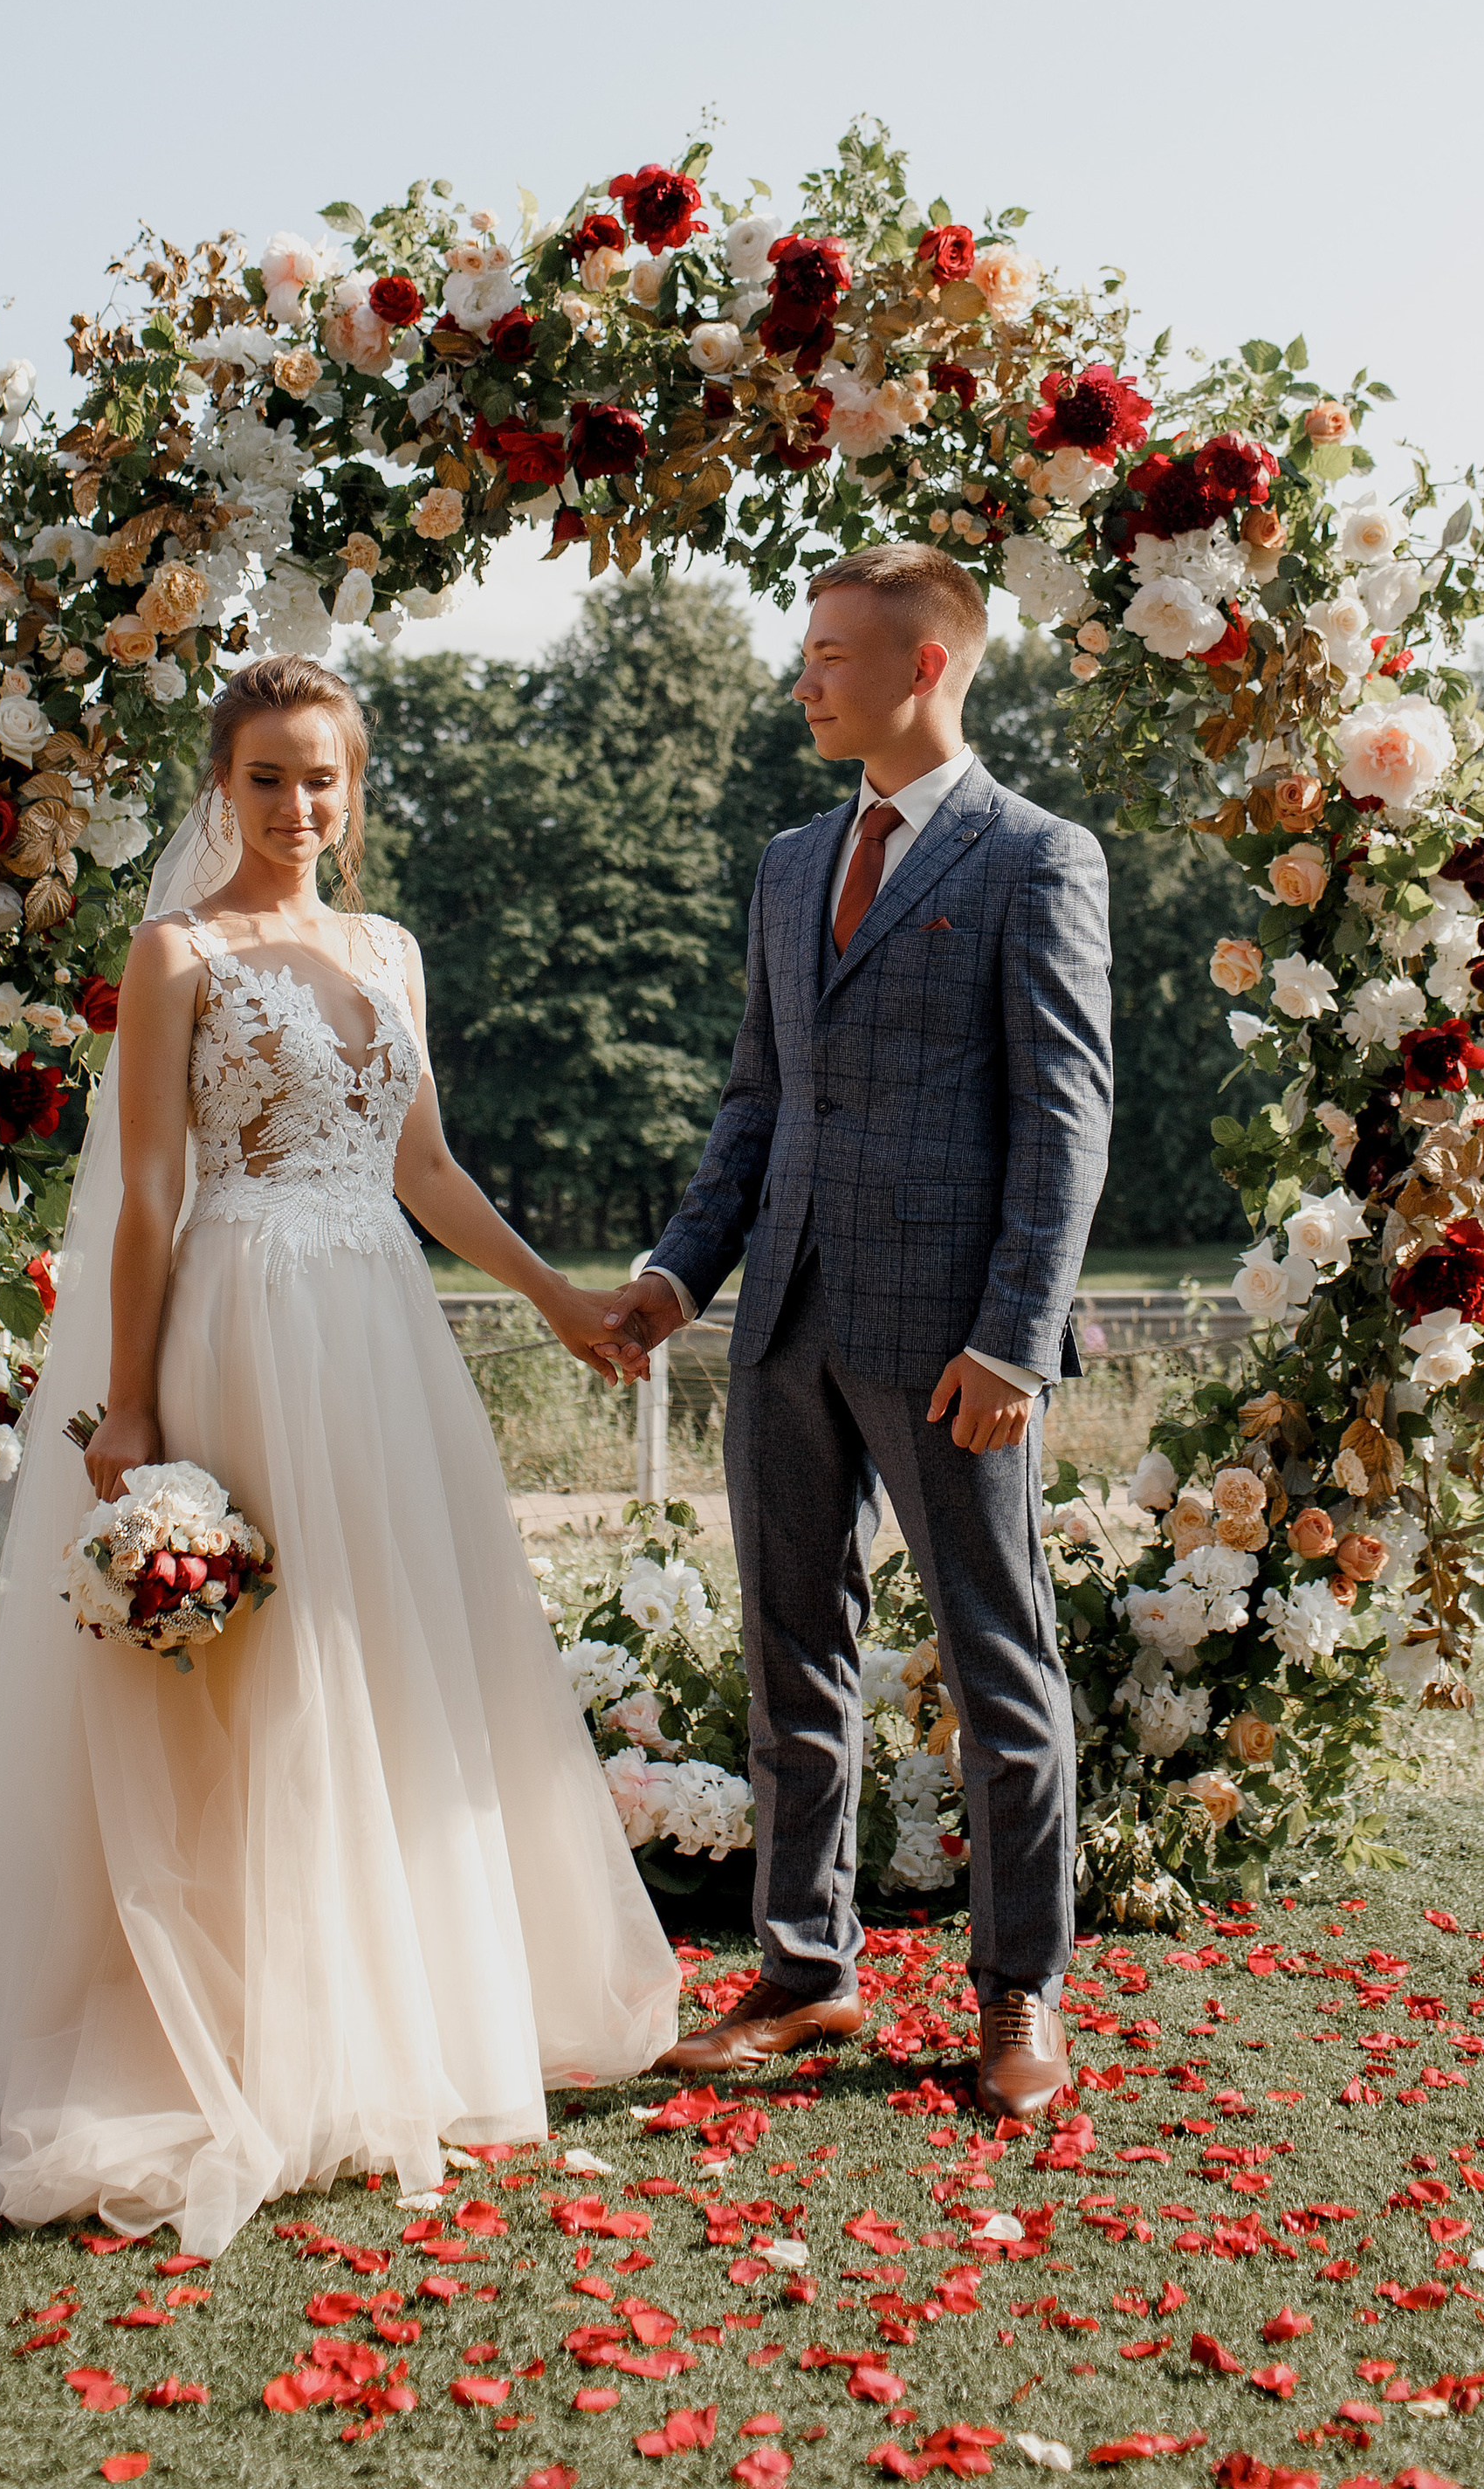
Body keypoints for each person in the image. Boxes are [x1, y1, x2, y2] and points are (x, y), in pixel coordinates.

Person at [0, 655, 677, 2303]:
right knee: (252, 1676)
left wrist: (556, 1302)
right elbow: (141, 1196)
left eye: (323, 776)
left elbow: (421, 1164)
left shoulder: (387, 949)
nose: (298, 807)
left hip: (382, 1342)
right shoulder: (175, 950)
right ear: (223, 785)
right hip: (242, 1325)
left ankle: (383, 2009)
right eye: (267, 777)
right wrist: (127, 1411)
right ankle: (229, 2026)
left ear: (356, 788)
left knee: (392, 1665)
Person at [600, 544, 1113, 2121]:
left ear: (928, 667)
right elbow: (757, 1104)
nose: (803, 676)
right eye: (806, 650)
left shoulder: (1039, 858)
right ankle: (808, 1974)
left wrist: (1016, 1343)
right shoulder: (787, 862)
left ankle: (1019, 1987)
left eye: (829, 653)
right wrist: (681, 1278)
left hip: (957, 1347)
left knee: (996, 1658)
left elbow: (1065, 1119)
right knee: (788, 1662)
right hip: (787, 1334)